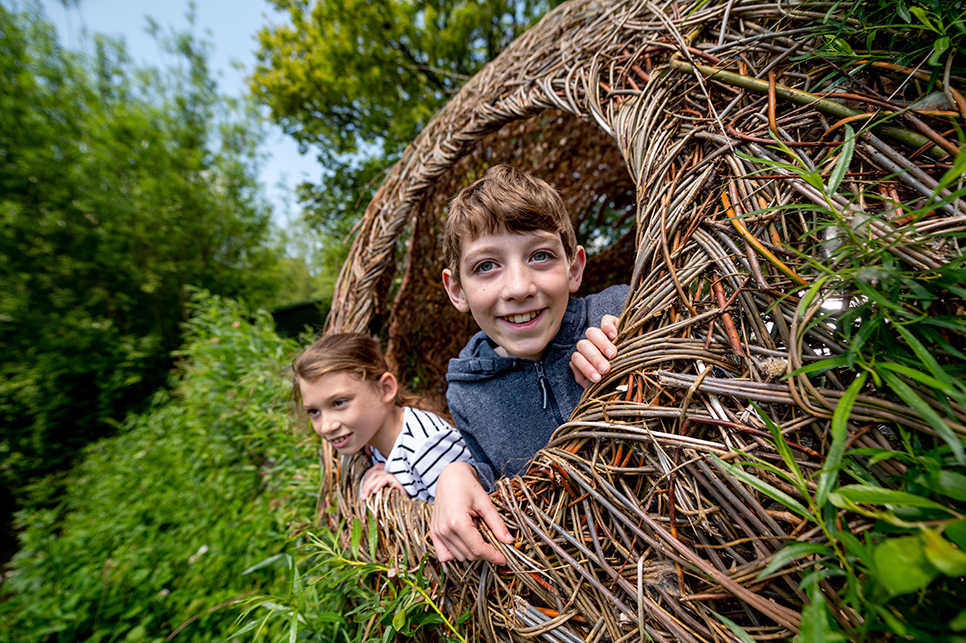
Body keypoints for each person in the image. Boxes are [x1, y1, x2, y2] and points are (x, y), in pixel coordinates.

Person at [432, 165, 627, 564]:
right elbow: (498, 478)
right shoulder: (467, 392)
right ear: (457, 290)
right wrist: (456, 475)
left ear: (573, 268)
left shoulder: (620, 312)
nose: (519, 288)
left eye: (540, 256)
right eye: (486, 266)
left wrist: (636, 353)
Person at [293, 333, 472, 503]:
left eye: (339, 403)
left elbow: (466, 516)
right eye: (314, 411)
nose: (326, 427)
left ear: (385, 389)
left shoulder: (427, 448)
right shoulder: (373, 439)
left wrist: (408, 503)